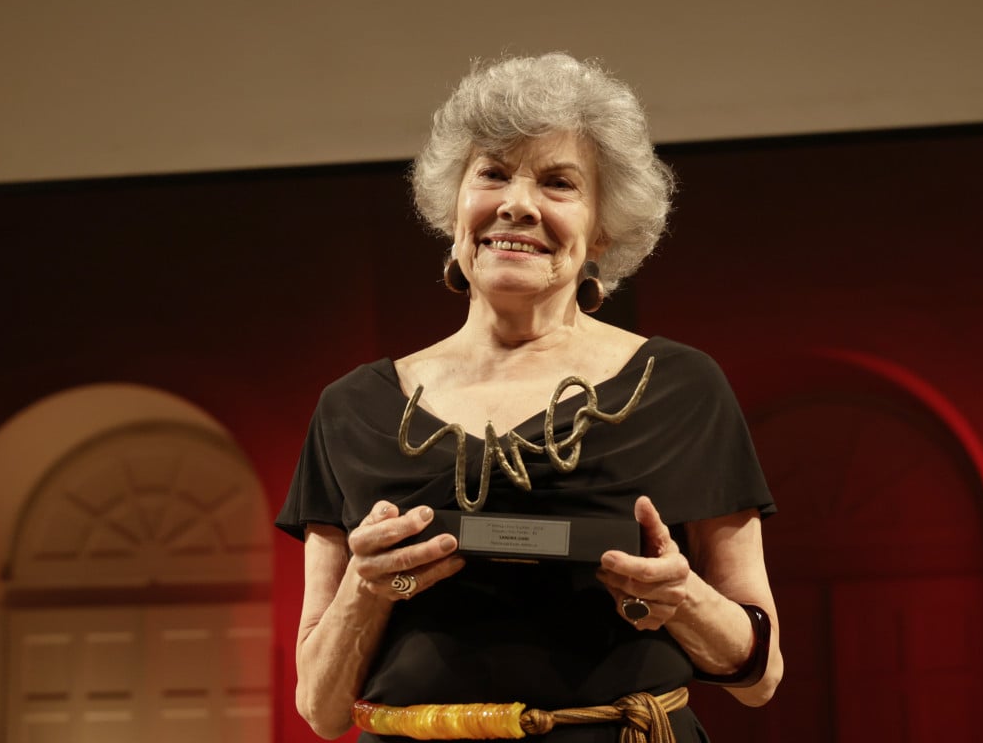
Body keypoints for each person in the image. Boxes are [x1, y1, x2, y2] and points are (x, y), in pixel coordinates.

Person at [275, 52, 782, 743]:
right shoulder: (350, 410)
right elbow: (320, 709)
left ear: (603, 227)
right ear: (454, 204)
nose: (516, 201)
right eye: (492, 173)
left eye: (558, 181)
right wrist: (366, 591)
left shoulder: (681, 389)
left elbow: (761, 674)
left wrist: (681, 597)